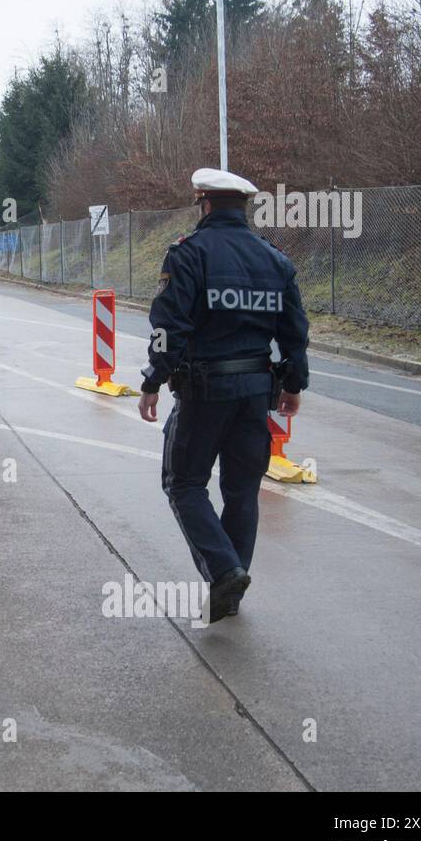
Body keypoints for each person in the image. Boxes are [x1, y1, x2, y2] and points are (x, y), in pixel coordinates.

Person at [137, 168, 310, 622]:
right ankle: (230, 588)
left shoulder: (189, 254)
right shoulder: (275, 260)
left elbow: (167, 327)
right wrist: (293, 384)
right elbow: (295, 331)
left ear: (205, 204)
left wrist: (153, 380)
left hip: (204, 392)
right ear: (243, 207)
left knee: (184, 483)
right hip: (256, 394)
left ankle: (223, 570)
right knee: (242, 491)